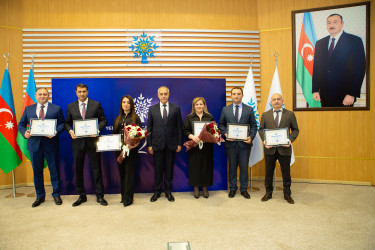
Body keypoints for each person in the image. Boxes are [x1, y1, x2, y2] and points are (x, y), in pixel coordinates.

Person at [18, 88, 65, 207]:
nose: (42, 96)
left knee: (54, 170)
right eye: (40, 94)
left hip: (51, 144)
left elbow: (62, 124)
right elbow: (21, 124)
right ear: (35, 95)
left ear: (48, 96)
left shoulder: (56, 108)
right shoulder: (28, 109)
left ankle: (56, 194)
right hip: (34, 145)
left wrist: (55, 132)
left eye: (45, 94)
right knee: (37, 171)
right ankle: (39, 196)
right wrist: (25, 133)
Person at [65, 83, 108, 206]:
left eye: (84, 91)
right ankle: (81, 195)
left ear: (87, 92)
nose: (82, 94)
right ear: (76, 92)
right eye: (79, 91)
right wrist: (70, 131)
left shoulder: (96, 105)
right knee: (78, 169)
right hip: (77, 143)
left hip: (93, 142)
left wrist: (98, 130)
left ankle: (100, 196)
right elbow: (66, 123)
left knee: (96, 169)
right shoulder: (71, 106)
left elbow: (104, 120)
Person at [312, 13, 366, 107]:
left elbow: (359, 69)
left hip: (345, 95)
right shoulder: (320, 43)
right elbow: (316, 68)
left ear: (342, 24)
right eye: (328, 23)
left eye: (335, 22)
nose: (331, 25)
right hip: (324, 94)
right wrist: (315, 90)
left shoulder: (354, 41)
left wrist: (352, 93)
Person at [259, 93, 299, 204]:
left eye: (278, 99)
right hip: (269, 148)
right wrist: (265, 140)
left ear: (282, 101)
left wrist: (289, 140)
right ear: (270, 102)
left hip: (284, 148)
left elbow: (295, 130)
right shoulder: (265, 115)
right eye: (274, 99)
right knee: (268, 172)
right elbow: (261, 129)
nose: (276, 101)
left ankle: (287, 194)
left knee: (286, 172)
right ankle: (268, 193)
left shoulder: (290, 114)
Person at [219, 87, 257, 199]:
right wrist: (226, 134)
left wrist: (251, 137)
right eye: (234, 94)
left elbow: (254, 126)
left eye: (238, 94)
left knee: (244, 168)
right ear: (231, 96)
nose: (236, 96)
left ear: (242, 95)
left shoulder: (249, 109)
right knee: (232, 167)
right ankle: (232, 188)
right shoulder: (225, 109)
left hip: (244, 144)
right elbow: (221, 125)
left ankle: (244, 189)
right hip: (230, 144)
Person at [147, 86, 182, 202]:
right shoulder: (152, 109)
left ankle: (168, 192)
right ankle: (156, 192)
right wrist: (149, 145)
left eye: (165, 94)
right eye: (161, 94)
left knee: (169, 170)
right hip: (157, 145)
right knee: (157, 170)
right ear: (158, 95)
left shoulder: (176, 108)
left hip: (171, 145)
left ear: (169, 94)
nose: (163, 96)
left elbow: (179, 128)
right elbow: (149, 129)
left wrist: (179, 143)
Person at [182, 97, 215, 198]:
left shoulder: (209, 117)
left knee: (206, 166)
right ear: (194, 106)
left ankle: (205, 187)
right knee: (194, 166)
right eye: (197, 104)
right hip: (194, 146)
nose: (199, 106)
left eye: (201, 104)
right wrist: (193, 137)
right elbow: (185, 131)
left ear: (204, 105)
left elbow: (214, 131)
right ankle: (196, 187)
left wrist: (208, 136)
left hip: (207, 146)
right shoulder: (189, 117)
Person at [112, 95, 142, 207]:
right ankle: (123, 196)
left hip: (131, 150)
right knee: (122, 173)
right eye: (124, 102)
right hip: (119, 150)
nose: (126, 104)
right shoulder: (117, 119)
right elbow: (114, 134)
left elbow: (140, 135)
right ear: (121, 104)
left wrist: (134, 145)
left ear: (131, 105)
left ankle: (129, 198)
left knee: (130, 173)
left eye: (128, 102)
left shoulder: (135, 118)